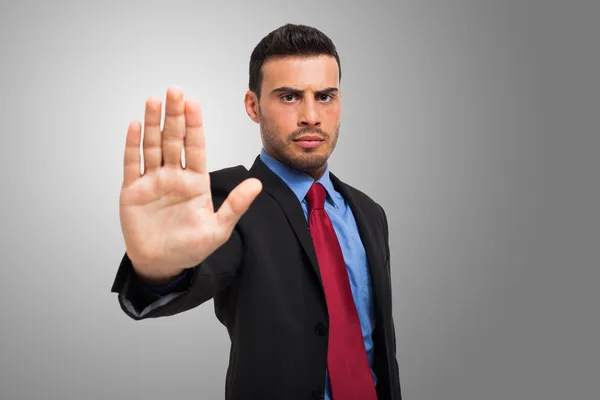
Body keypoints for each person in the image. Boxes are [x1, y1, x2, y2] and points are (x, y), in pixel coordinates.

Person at [111, 23, 402, 400]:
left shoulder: (368, 212)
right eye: (289, 97)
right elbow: (199, 264)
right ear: (253, 106)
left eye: (325, 96)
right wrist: (158, 270)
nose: (311, 116)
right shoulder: (229, 200)